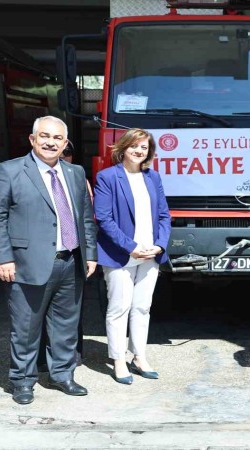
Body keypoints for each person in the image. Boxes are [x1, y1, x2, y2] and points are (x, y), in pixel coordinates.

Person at [0, 116, 97, 405]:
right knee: (26, 328)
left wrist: (91, 255)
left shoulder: (75, 172)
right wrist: (3, 258)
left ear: (65, 143)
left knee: (66, 325)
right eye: (44, 136)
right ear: (32, 139)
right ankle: (22, 380)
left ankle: (63, 374)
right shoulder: (8, 171)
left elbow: (85, 217)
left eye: (57, 138)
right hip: (26, 264)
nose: (50, 142)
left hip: (70, 261)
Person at [94, 128, 171, 384]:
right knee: (119, 308)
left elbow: (164, 215)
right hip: (121, 254)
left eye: (144, 147)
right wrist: (131, 246)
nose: (139, 151)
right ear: (123, 147)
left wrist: (160, 245)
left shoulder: (153, 177)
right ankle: (118, 360)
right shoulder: (107, 177)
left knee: (142, 307)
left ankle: (139, 356)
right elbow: (104, 218)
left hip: (150, 253)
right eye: (134, 146)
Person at [38, 140, 89, 373]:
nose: (63, 155)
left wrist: (90, 254)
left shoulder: (77, 177)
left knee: (70, 316)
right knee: (38, 315)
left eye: (68, 151)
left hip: (72, 255)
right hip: (42, 256)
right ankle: (41, 361)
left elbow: (87, 219)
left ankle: (69, 362)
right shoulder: (36, 176)